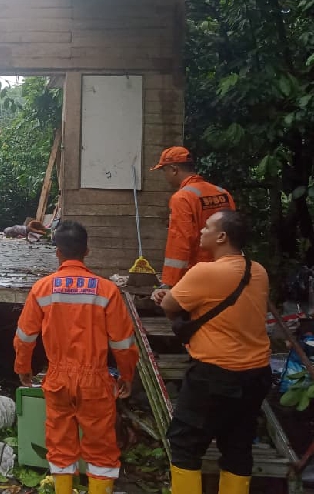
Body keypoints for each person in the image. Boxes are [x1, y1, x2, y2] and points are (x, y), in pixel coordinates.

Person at [14, 221, 139, 494]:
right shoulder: (107, 290)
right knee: (101, 448)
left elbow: (25, 336)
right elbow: (123, 342)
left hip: (57, 378)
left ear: (57, 252)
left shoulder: (42, 288)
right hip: (95, 381)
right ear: (87, 251)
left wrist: (23, 367)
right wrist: (126, 375)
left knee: (60, 445)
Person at [153, 210, 271, 494]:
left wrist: (165, 296)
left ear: (222, 237)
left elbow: (170, 306)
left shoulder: (205, 272)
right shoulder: (258, 271)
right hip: (256, 375)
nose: (201, 232)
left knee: (185, 445)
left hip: (214, 375)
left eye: (207, 227)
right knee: (238, 448)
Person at [150, 146, 235, 289]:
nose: (165, 176)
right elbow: (235, 231)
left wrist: (170, 283)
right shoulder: (223, 193)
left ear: (174, 169)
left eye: (164, 171)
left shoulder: (182, 198)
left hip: (199, 276)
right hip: (228, 271)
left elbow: (180, 241)